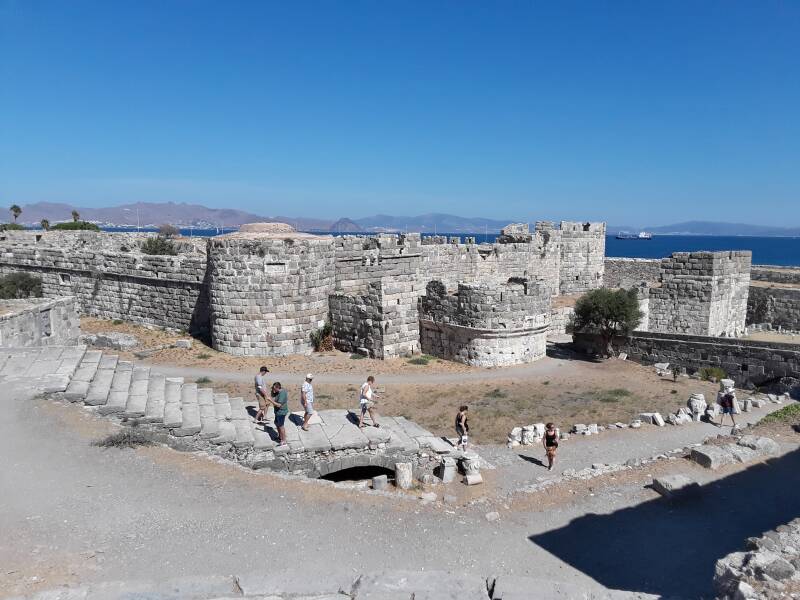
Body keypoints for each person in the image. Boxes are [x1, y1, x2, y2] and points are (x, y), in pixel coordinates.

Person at [269, 382, 289, 446]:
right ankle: (280, 437)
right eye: (273, 388)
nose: (273, 390)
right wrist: (273, 391)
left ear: (278, 388)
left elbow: (279, 405)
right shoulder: (278, 392)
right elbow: (272, 395)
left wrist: (271, 400)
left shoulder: (282, 393)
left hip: (281, 412)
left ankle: (284, 440)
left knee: (281, 426)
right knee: (276, 423)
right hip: (277, 412)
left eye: (274, 389)